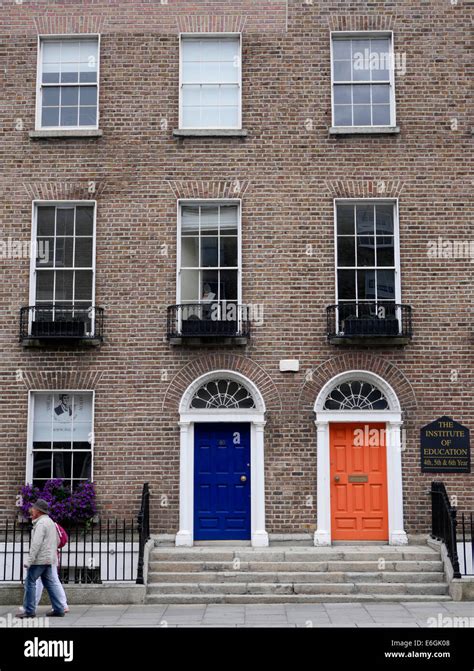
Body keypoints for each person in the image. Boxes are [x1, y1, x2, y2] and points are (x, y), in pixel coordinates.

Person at [16, 499, 66, 618]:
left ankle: (29, 611)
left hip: (40, 559)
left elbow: (36, 544)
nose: (31, 511)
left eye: (33, 509)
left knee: (30, 582)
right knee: (50, 583)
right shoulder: (50, 522)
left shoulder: (41, 524)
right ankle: (59, 609)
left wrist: (29, 560)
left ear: (38, 511)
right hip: (50, 558)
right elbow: (58, 540)